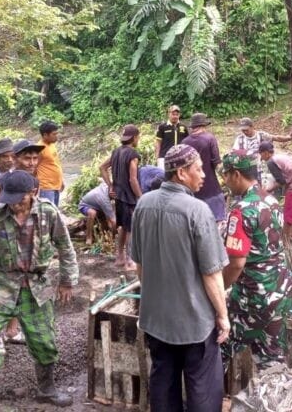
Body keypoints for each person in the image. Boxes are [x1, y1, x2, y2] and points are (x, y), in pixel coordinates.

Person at [131, 144, 230, 412]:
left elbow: (140, 265)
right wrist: (222, 316)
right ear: (182, 173)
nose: (204, 175)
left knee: (163, 382)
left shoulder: (143, 204)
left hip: (156, 320)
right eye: (199, 169)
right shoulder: (198, 211)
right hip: (194, 323)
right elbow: (211, 273)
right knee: (202, 388)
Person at [0, 170, 78, 411]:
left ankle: (47, 390)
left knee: (45, 342)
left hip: (36, 288)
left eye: (19, 200)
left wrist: (67, 281)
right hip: (1, 288)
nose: (14, 205)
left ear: (33, 193)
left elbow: (66, 248)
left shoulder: (48, 213)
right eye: (10, 199)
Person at [220, 150, 292, 369]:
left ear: (236, 174)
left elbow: (236, 263)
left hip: (253, 296)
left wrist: (219, 288)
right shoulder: (271, 200)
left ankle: (211, 390)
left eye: (226, 175)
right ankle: (276, 387)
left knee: (220, 344)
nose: (225, 181)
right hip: (279, 288)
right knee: (271, 354)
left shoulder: (242, 211)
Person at [0, 138, 46, 347]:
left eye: (35, 158)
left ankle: (12, 331)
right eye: (26, 158)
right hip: (0, 245)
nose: (31, 163)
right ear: (16, 159)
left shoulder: (33, 182)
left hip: (22, 246)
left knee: (19, 286)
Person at [100, 124, 142, 271]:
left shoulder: (116, 151)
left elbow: (102, 167)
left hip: (118, 196)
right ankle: (130, 261)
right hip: (129, 197)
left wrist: (111, 185)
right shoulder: (133, 155)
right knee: (131, 228)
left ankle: (120, 258)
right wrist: (140, 197)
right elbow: (133, 179)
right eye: (138, 137)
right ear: (134, 137)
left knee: (123, 227)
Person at [258, 141, 292, 243]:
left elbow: (281, 181)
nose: (262, 158)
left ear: (266, 153)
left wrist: (267, 190)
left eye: (261, 154)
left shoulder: (271, 162)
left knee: (289, 216)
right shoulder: (281, 156)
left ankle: (285, 243)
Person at [182, 112, 226, 226]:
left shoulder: (184, 142)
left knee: (197, 226)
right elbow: (217, 164)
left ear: (193, 126)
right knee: (218, 225)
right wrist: (227, 180)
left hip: (192, 193)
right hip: (211, 190)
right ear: (204, 125)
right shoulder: (209, 138)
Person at [36, 121, 64, 207]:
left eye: (57, 134)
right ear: (45, 135)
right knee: (48, 212)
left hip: (56, 185)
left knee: (55, 211)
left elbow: (55, 163)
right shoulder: (39, 148)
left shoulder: (51, 145)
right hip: (46, 187)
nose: (56, 136)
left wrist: (61, 181)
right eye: (54, 134)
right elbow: (33, 167)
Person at [155, 104, 188, 170]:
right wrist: (157, 157)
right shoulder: (162, 127)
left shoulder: (183, 127)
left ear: (179, 115)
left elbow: (186, 142)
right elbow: (158, 143)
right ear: (168, 114)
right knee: (162, 175)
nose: (175, 116)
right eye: (173, 114)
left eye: (177, 114)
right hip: (164, 157)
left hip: (179, 157)